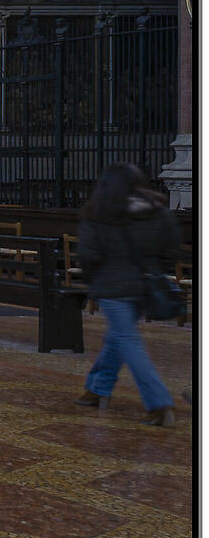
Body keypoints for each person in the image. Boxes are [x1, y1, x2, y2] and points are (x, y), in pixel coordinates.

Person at [76, 162, 181, 425]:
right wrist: (154, 271)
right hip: (145, 285)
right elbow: (171, 251)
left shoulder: (97, 214)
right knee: (117, 337)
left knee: (128, 340)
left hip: (112, 287)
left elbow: (88, 255)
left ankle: (159, 404)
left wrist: (96, 279)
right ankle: (98, 389)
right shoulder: (158, 212)